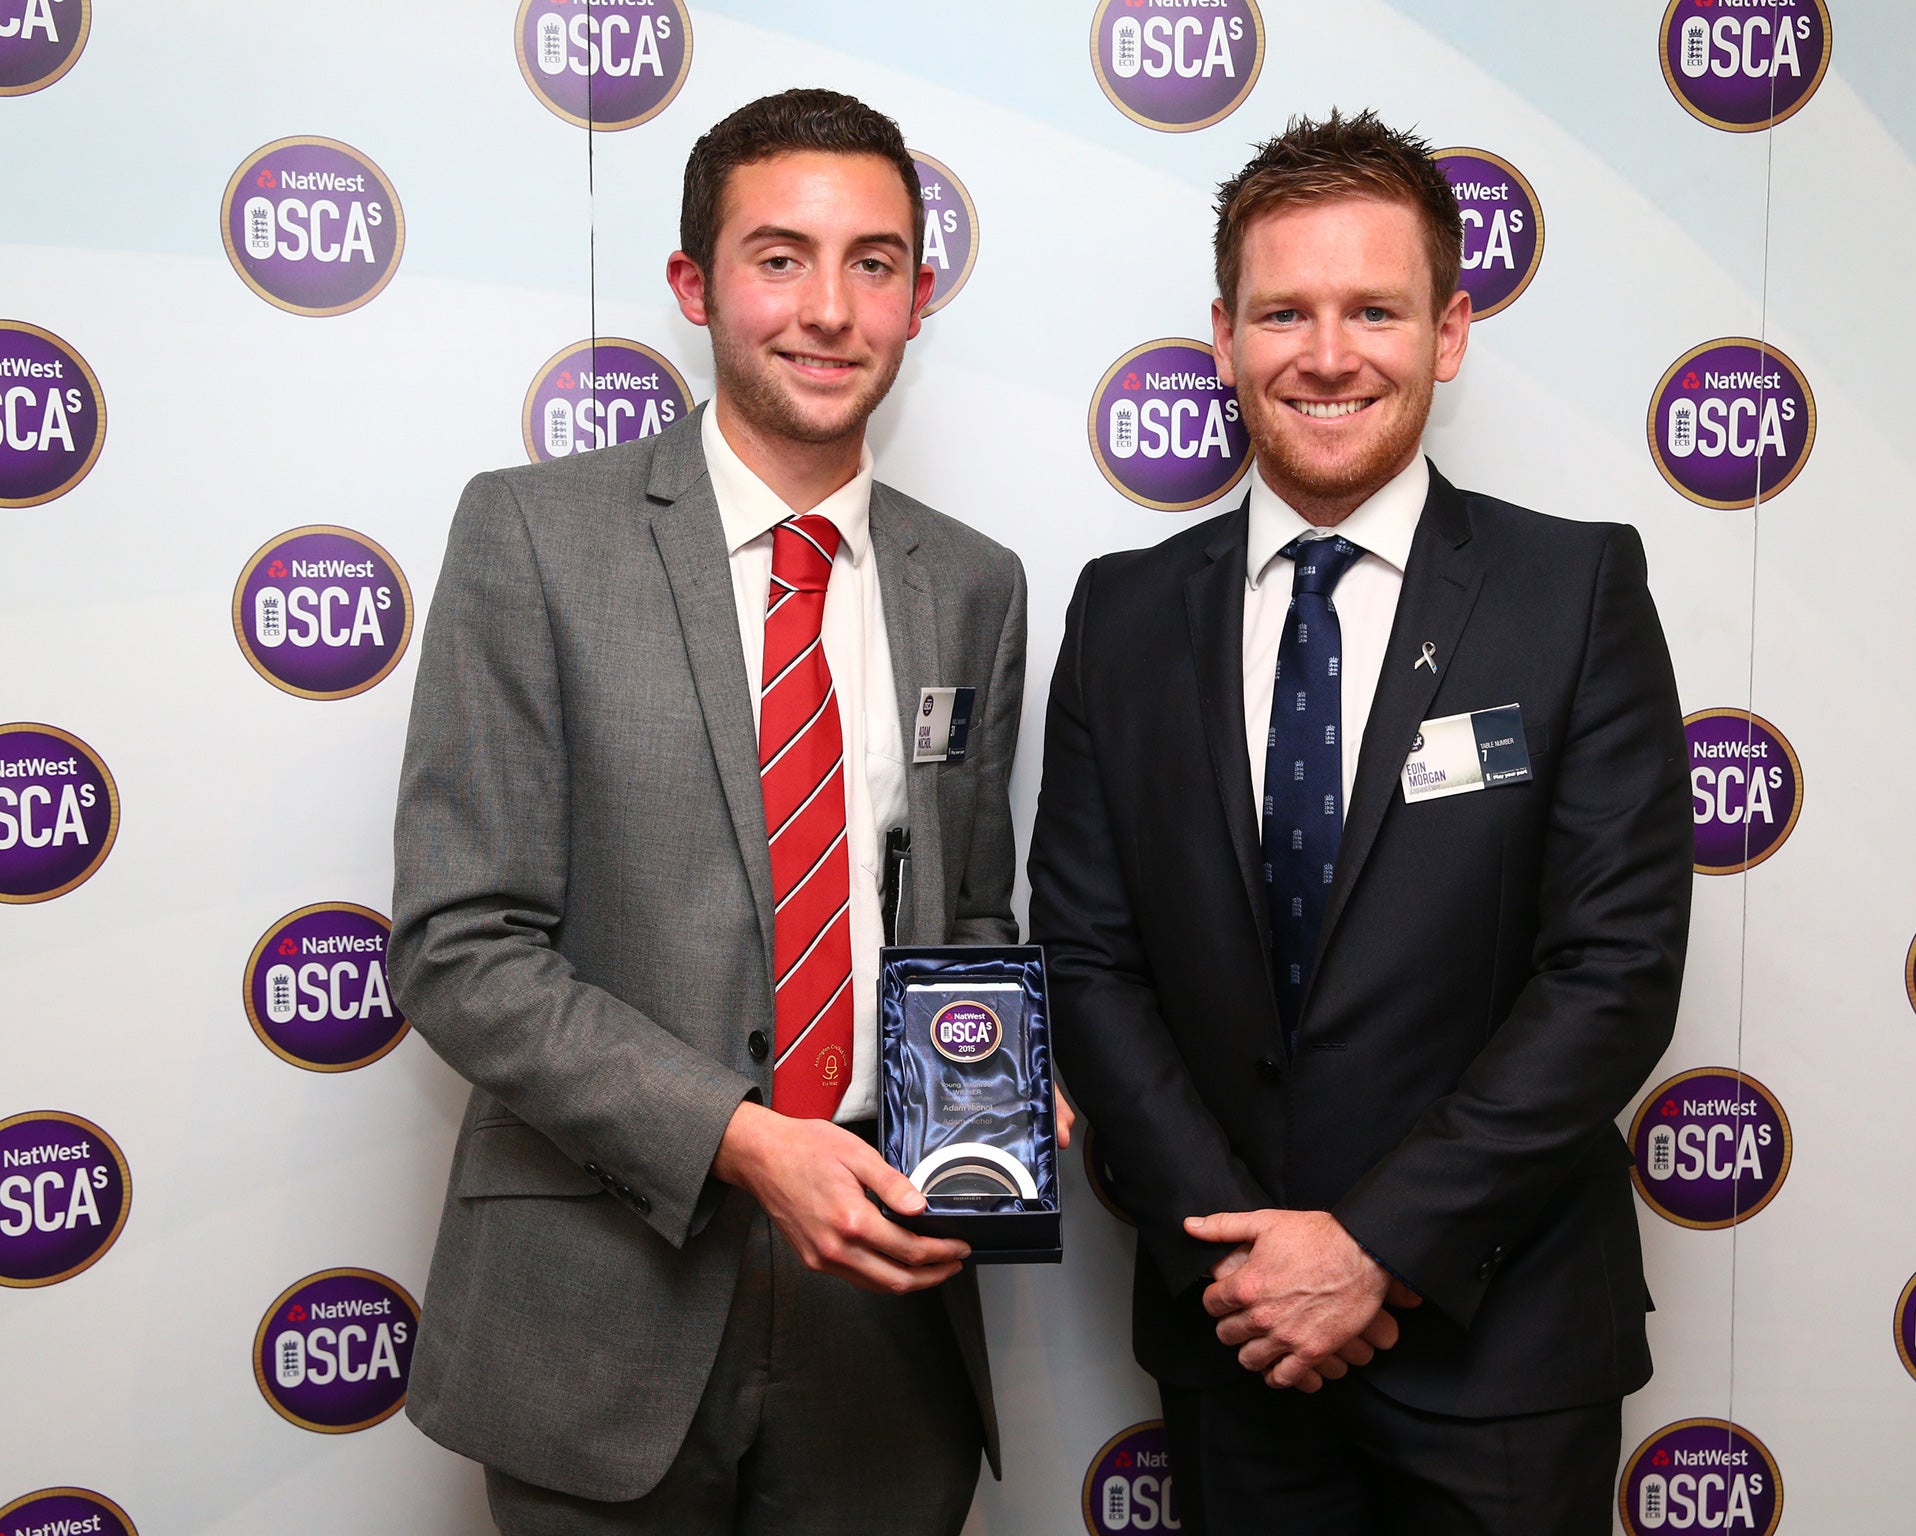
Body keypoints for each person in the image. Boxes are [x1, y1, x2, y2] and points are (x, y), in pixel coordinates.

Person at [391, 88, 1051, 1535]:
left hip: (887, 1294)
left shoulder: (976, 583)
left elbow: (974, 911)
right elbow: (461, 944)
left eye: (873, 263)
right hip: (601, 1295)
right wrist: (747, 1141)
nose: (829, 309)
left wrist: (1006, 1093)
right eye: (779, 258)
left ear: (918, 298)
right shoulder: (532, 536)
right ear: (695, 285)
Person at [1029, 109, 1693, 1534]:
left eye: (1374, 309)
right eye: (1285, 311)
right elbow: (1087, 965)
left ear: (1448, 331)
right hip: (1237, 1335)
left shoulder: (1572, 595)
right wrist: (1256, 1265)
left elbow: (1613, 971)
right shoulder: (1125, 614)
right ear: (1224, 335)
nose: (1328, 355)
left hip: (1503, 1346)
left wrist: (1377, 1249)